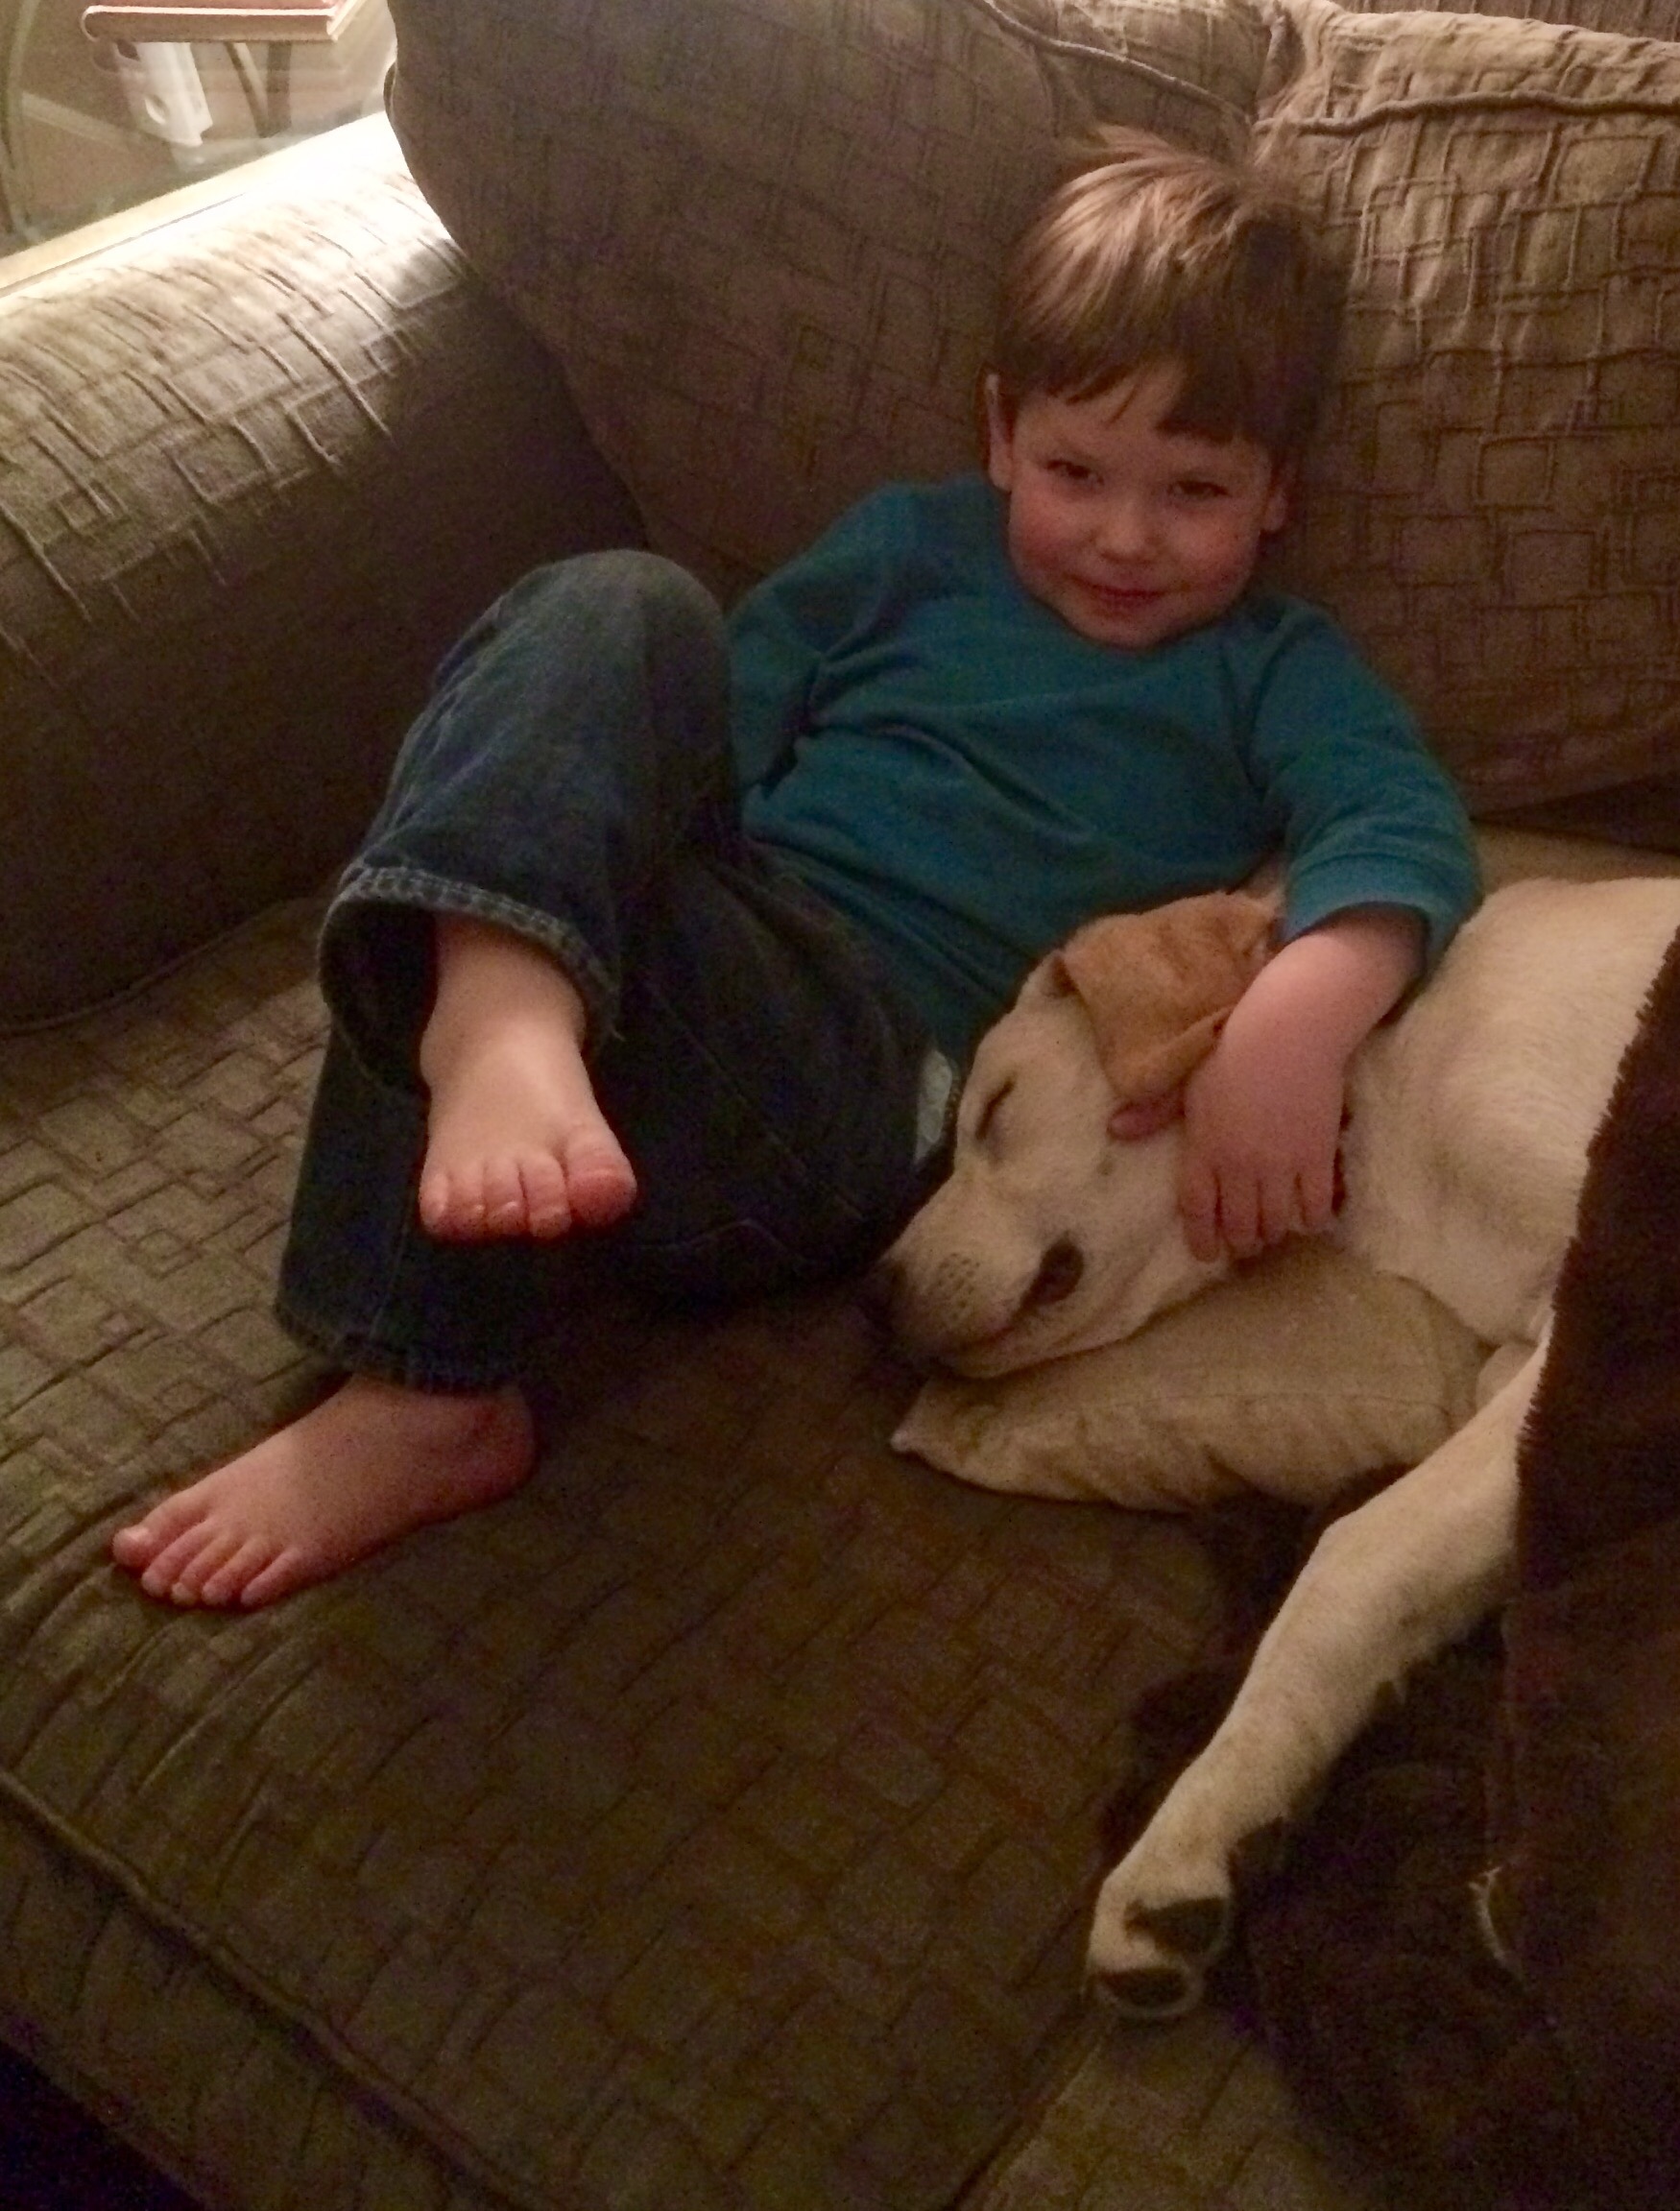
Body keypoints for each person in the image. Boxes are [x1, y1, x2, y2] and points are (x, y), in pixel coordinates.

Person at [109, 131, 1478, 1610]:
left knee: (497, 869)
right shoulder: (907, 550)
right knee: (620, 609)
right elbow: (683, 736)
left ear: (1277, 494)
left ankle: (429, 1384)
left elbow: (1401, 828)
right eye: (1078, 471)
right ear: (1002, 433)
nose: (1125, 538)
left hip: (864, 1080)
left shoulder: (1274, 669)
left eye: (1195, 492)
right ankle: (506, 1007)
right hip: (670, 966)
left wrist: (1291, 1027)